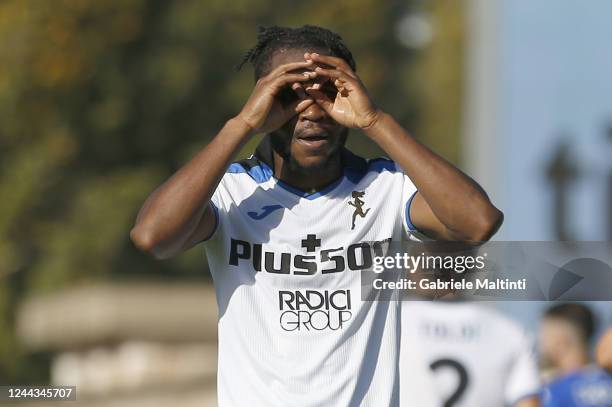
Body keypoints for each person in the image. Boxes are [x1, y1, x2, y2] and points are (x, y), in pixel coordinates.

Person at [130, 25, 503, 406]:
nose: (311, 110)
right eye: (289, 96)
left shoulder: (385, 187)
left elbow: (478, 223)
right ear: (262, 99)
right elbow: (152, 237)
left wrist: (375, 121)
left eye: (327, 92)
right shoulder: (231, 191)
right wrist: (242, 125)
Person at [539, 303, 612, 407]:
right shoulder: (608, 382)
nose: (541, 343)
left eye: (544, 335)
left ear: (560, 341)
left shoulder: (552, 392)